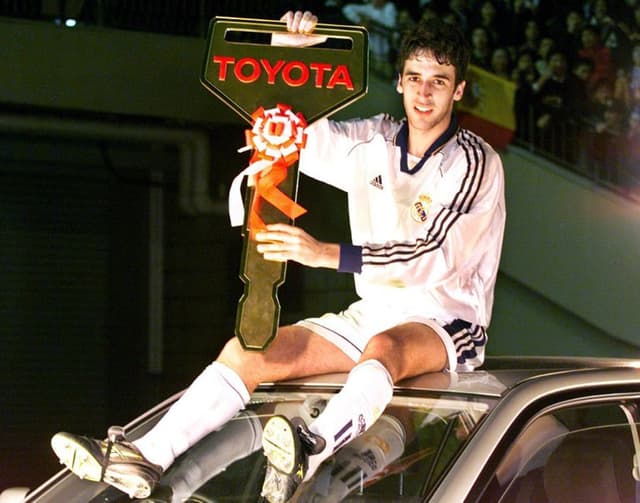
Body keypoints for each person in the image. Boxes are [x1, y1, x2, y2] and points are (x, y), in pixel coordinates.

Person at [50, 9, 506, 503]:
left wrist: (325, 253)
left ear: (458, 91)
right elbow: (295, 137)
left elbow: (433, 255)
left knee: (385, 352)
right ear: (398, 82)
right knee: (247, 352)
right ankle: (147, 456)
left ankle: (307, 448)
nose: (424, 92)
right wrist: (290, 53)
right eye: (415, 78)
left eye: (439, 81)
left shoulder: (476, 162)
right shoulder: (374, 138)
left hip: (444, 319)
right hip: (371, 312)